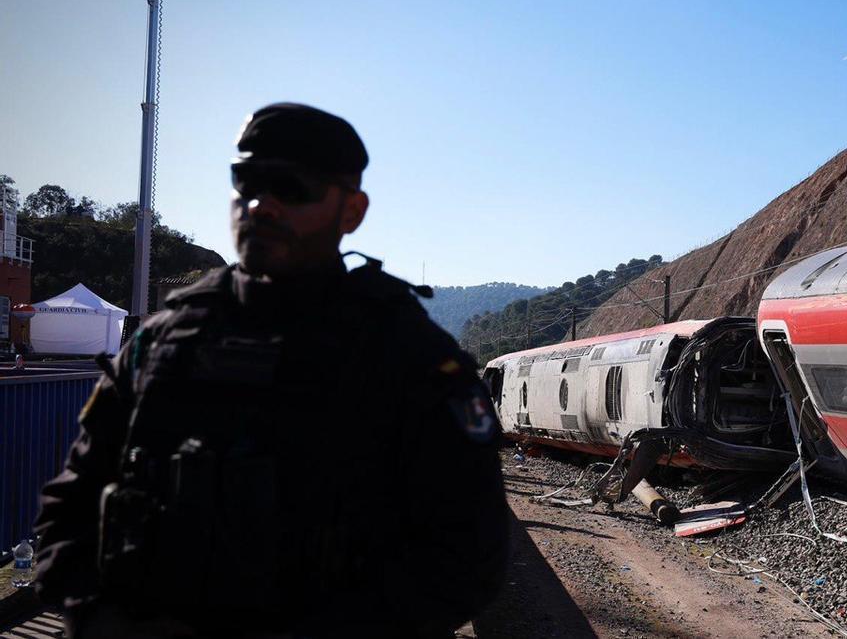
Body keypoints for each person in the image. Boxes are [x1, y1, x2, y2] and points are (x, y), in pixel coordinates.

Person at [33, 103, 509, 638]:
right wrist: (96, 615)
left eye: (292, 188)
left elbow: (470, 555)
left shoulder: (410, 356)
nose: (260, 206)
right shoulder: (162, 341)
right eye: (248, 182)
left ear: (351, 211)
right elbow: (67, 507)